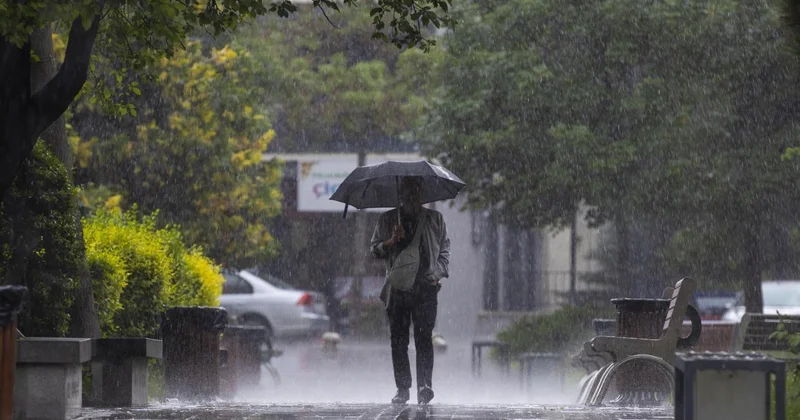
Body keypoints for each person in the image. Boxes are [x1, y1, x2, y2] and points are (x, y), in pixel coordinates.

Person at [369, 176, 451, 405]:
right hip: (398, 289)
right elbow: (374, 250)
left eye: (415, 191)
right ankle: (403, 388)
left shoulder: (435, 219)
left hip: (426, 288)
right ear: (400, 194)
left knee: (424, 338)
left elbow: (445, 250)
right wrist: (391, 241)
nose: (411, 196)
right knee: (398, 340)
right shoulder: (387, 219)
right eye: (406, 191)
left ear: (421, 193)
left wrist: (436, 274)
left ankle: (424, 386)